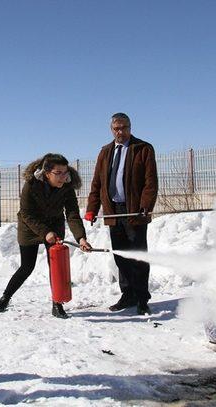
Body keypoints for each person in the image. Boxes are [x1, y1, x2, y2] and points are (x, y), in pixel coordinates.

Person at [0, 153, 92, 319]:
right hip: (30, 227)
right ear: (47, 173)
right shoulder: (31, 185)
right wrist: (45, 233)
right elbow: (27, 213)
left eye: (65, 172)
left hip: (54, 224)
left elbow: (72, 213)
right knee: (27, 267)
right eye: (58, 173)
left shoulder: (67, 186)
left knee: (56, 266)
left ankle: (57, 304)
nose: (63, 177)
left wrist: (81, 238)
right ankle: (5, 297)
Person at [85, 113, 158, 315]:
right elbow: (97, 184)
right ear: (111, 129)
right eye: (116, 128)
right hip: (113, 212)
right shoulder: (105, 152)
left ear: (130, 127)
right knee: (120, 256)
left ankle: (142, 298)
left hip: (135, 211)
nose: (120, 131)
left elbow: (150, 182)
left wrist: (146, 205)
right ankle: (128, 295)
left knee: (138, 256)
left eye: (124, 127)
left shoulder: (143, 149)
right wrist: (92, 208)